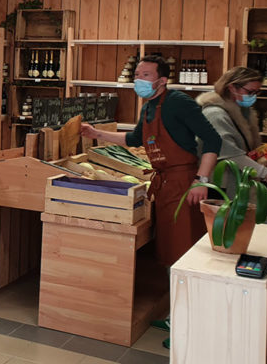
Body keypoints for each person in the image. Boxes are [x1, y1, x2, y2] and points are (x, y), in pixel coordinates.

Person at [81, 55, 221, 347]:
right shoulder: (149, 108)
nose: (139, 79)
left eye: (145, 74)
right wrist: (97, 134)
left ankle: (189, 324)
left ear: (162, 80)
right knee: (171, 255)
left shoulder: (178, 102)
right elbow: (134, 139)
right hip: (164, 184)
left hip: (185, 184)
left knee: (184, 256)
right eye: (137, 74)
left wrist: (202, 180)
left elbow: (213, 140)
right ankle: (176, 314)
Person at [196, 66, 267, 193]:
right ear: (232, 88)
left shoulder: (243, 112)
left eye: (257, 92)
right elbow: (231, 154)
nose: (253, 97)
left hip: (237, 181)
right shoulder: (215, 114)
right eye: (250, 92)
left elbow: (244, 150)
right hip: (220, 185)